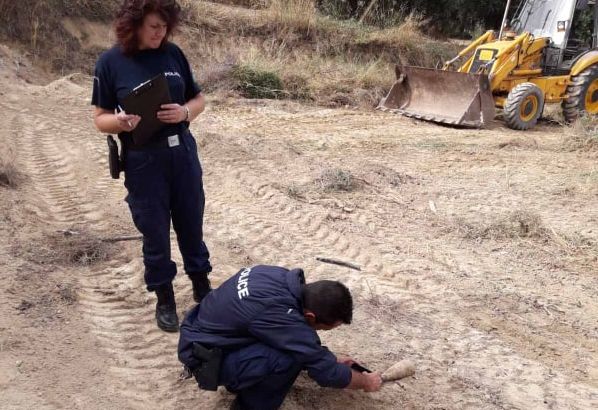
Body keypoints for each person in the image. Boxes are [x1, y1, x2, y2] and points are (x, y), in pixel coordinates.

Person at [91, 0, 212, 332]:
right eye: (153, 27)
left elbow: (198, 99)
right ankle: (165, 298)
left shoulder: (173, 54)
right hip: (143, 159)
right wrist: (119, 121)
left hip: (182, 153)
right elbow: (99, 119)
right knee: (155, 232)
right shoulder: (110, 62)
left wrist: (185, 113)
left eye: (164, 26)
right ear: (135, 25)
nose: (160, 33)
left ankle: (203, 290)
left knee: (191, 222)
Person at [178, 265, 383, 410]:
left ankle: (243, 377)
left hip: (204, 337)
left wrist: (330, 359)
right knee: (288, 358)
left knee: (295, 348)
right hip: (204, 360)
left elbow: (291, 337)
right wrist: (366, 382)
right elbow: (326, 373)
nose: (317, 332)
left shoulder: (277, 277)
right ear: (310, 316)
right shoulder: (281, 316)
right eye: (323, 328)